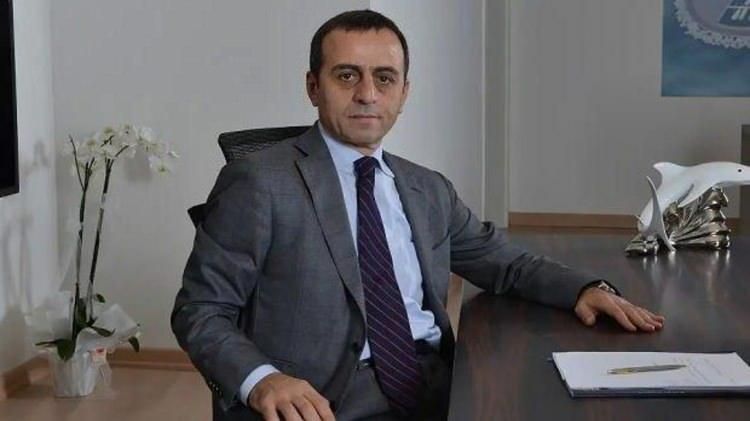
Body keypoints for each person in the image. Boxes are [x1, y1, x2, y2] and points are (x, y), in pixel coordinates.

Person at [171, 9, 665, 421]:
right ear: (313, 86)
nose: (367, 94)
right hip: (324, 399)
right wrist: (264, 380)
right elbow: (200, 311)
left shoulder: (426, 188)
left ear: (404, 93)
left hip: (434, 380)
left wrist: (583, 289)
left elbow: (506, 263)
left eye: (384, 78)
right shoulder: (259, 183)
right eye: (347, 75)